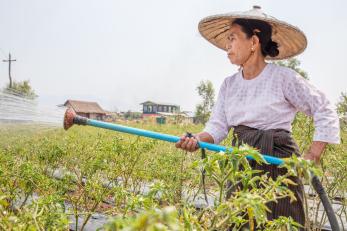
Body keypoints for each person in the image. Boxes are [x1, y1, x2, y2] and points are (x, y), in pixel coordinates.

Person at [175, 5, 340, 229]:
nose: (227, 45)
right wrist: (196, 139)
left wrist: (312, 155)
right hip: (241, 160)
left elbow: (324, 107)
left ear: (253, 42)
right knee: (240, 218)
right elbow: (217, 126)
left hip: (278, 159)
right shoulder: (229, 85)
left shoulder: (283, 78)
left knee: (282, 222)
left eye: (232, 38)